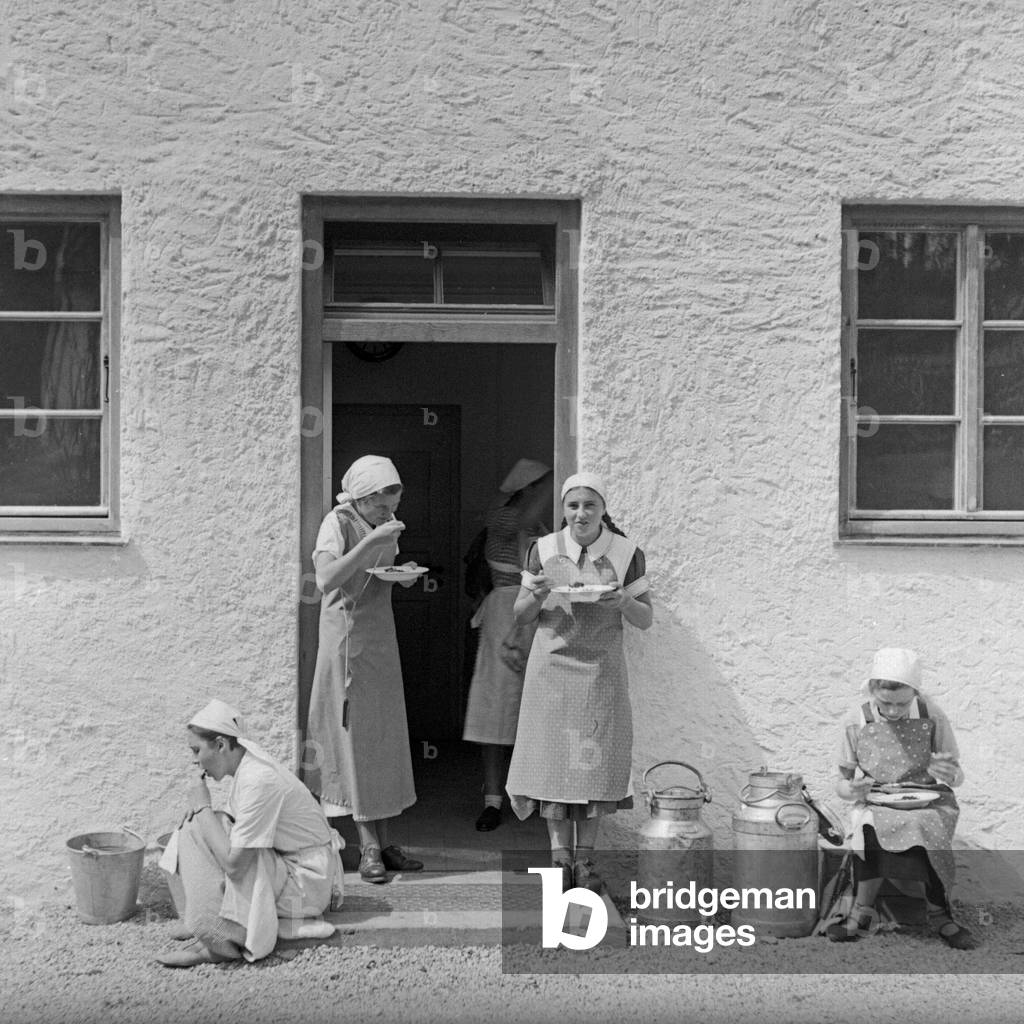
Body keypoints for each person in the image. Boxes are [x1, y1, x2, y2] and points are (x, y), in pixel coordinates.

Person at [504, 472, 653, 891]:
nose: (580, 513)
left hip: (601, 672)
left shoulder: (626, 553)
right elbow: (521, 614)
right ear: (563, 510)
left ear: (603, 508)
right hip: (551, 667)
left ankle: (585, 862)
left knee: (596, 762)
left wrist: (622, 599)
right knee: (550, 762)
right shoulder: (544, 549)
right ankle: (559, 859)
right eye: (572, 506)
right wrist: (535, 592)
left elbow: (645, 619)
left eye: (589, 505)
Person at [304, 455, 423, 884]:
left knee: (384, 736)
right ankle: (367, 844)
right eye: (380, 505)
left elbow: (379, 575)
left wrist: (405, 574)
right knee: (353, 737)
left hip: (380, 640)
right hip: (347, 643)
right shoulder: (337, 523)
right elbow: (326, 579)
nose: (388, 513)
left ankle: (386, 841)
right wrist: (371, 543)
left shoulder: (385, 523)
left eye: (393, 504)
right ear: (361, 498)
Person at [156, 699, 343, 968]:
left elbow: (234, 866)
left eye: (196, 750)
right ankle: (206, 921)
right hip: (290, 869)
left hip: (306, 885)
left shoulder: (258, 780)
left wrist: (203, 808)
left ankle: (220, 941)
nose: (195, 761)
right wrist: (202, 816)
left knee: (208, 824)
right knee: (202, 825)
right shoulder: (247, 769)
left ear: (220, 745)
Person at [827, 647, 976, 949]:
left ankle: (941, 915)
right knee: (869, 824)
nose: (894, 711)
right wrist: (851, 790)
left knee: (927, 823)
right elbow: (842, 784)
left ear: (915, 694)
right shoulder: (857, 721)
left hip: (928, 798)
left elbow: (956, 776)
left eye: (902, 703)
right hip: (877, 798)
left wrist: (949, 773)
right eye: (886, 703)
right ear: (872, 690)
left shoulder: (931, 715)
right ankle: (859, 913)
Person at [463, 459, 553, 831]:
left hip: (537, 614)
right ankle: (493, 799)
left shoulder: (538, 526)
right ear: (529, 490)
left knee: (537, 707)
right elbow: (524, 517)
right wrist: (556, 474)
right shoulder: (503, 518)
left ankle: (534, 793)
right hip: (505, 614)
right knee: (496, 709)